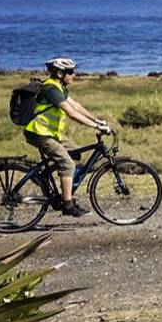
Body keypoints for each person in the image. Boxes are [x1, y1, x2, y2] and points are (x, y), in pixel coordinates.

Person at [23, 57, 111, 217]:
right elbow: (72, 114)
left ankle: (44, 176)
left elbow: (76, 106)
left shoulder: (59, 87)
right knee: (67, 164)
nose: (73, 75)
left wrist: (96, 120)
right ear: (59, 73)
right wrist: (97, 127)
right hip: (39, 133)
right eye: (70, 72)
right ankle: (68, 205)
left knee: (75, 152)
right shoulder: (51, 89)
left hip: (50, 133)